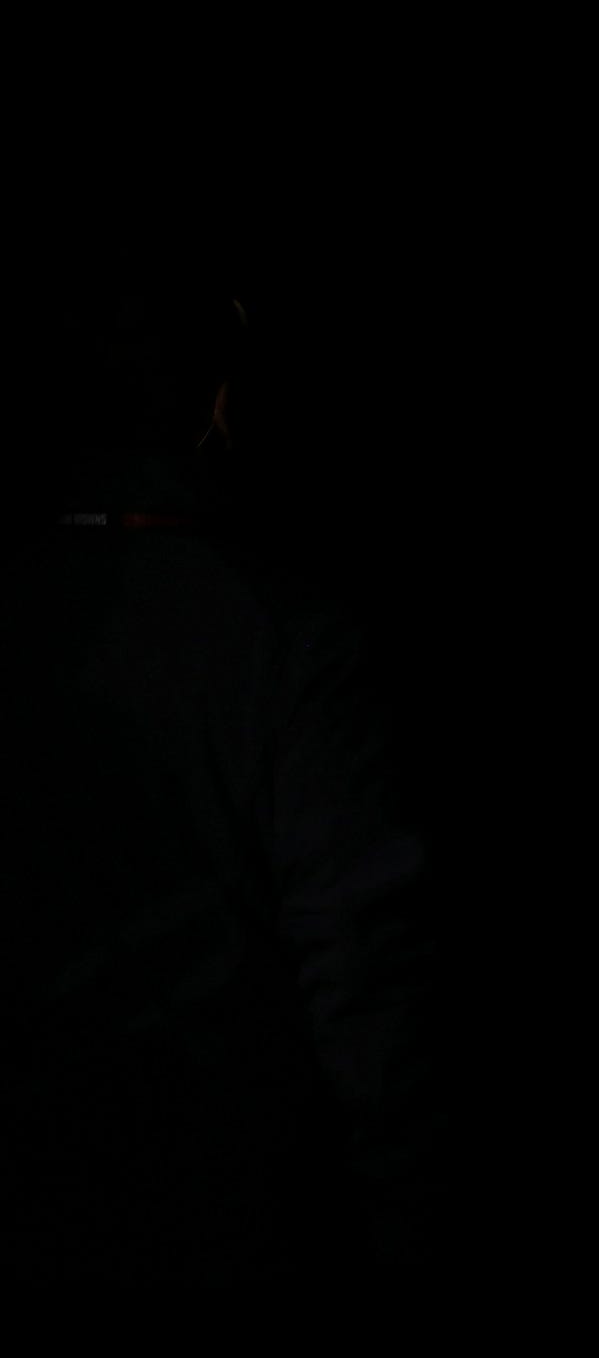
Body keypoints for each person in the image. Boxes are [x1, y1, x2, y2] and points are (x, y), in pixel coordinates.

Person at [0, 286, 450, 1293]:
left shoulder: (31, 612)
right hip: (227, 1225)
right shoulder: (286, 640)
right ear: (216, 397)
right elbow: (371, 991)